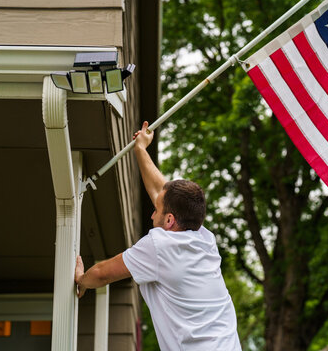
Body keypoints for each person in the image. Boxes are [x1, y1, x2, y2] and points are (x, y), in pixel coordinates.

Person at [75, 121, 241, 351]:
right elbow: (161, 191)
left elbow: (102, 274)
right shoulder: (204, 239)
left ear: (170, 220)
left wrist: (82, 281)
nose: (152, 215)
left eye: (156, 210)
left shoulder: (160, 245)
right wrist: (140, 149)